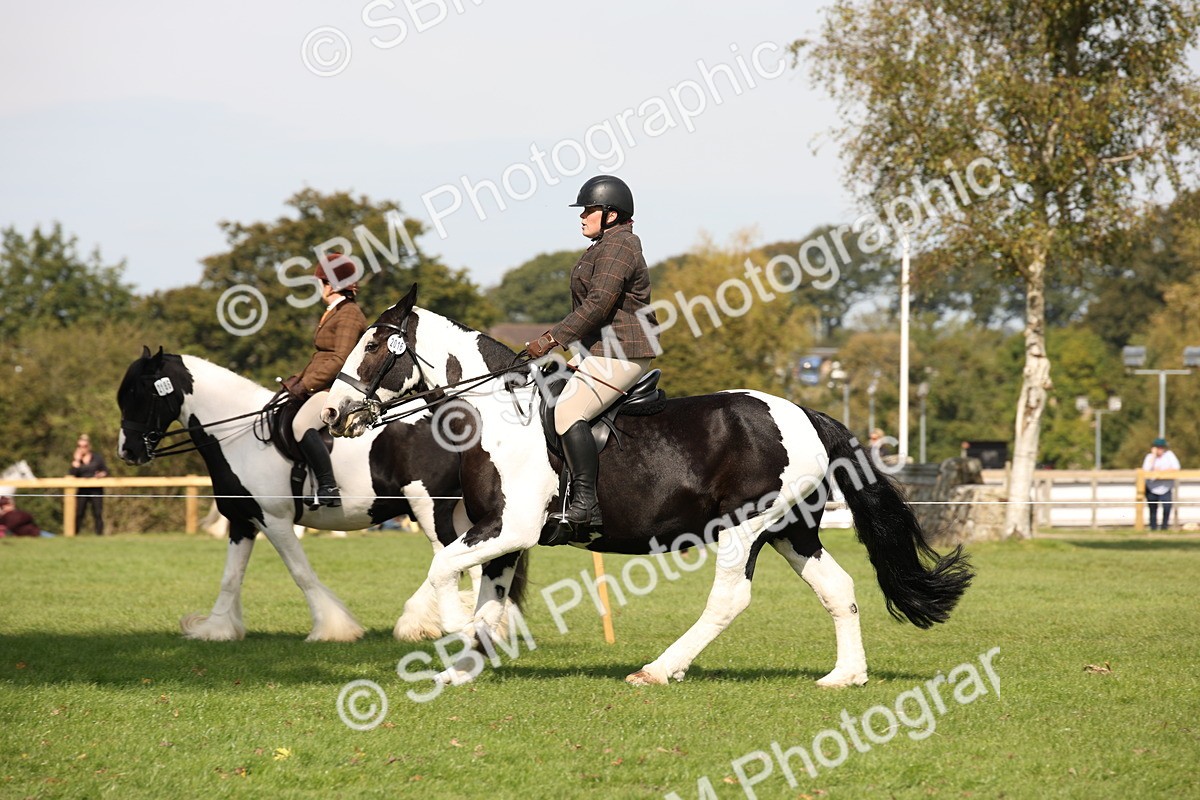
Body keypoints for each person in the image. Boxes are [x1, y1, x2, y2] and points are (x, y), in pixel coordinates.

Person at [526, 175, 660, 542]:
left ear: (611, 214)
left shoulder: (620, 246)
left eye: (589, 210)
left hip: (625, 350)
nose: (582, 216)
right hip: (604, 351)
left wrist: (552, 339)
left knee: (568, 410)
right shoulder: (604, 245)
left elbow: (599, 303)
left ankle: (586, 504)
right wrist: (580, 354)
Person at [282, 256, 368, 508]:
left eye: (321, 282)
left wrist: (305, 385)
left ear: (331, 285)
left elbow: (340, 358)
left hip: (338, 388)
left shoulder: (349, 314)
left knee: (301, 425)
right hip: (323, 384)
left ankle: (328, 486)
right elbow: (322, 356)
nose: (320, 288)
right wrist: (297, 381)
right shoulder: (336, 311)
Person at [69, 433, 107, 535]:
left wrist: (101, 474)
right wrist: (76, 461)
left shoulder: (97, 457)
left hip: (96, 489)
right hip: (82, 490)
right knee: (79, 513)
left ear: (89, 446)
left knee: (97, 513)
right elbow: (71, 475)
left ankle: (99, 535)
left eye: (85, 446)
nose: (82, 448)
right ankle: (74, 534)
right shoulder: (76, 461)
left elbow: (106, 471)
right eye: (80, 446)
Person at [1142, 437, 1181, 530]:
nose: (1160, 449)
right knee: (1152, 509)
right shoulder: (1149, 457)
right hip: (1151, 487)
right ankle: (1153, 527)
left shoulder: (1169, 455)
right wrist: (1153, 456)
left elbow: (1176, 468)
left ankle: (1164, 527)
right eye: (1158, 447)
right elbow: (1145, 470)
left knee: (1167, 507)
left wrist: (1161, 472)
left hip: (1166, 487)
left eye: (1161, 447)